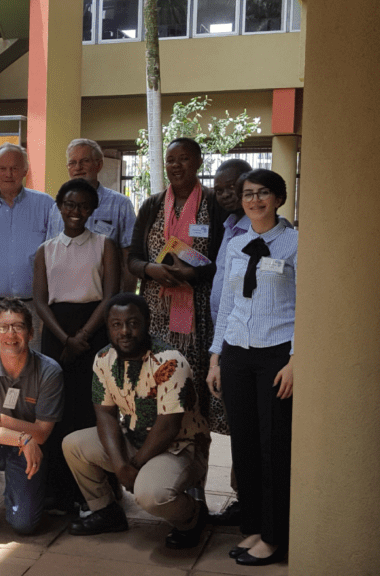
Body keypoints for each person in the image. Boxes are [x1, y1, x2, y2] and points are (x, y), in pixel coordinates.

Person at [62, 294, 210, 549]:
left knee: (150, 494)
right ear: (108, 328)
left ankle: (192, 516)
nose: (125, 332)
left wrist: (134, 466)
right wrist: (121, 466)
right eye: (116, 325)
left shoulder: (170, 360)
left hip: (179, 446)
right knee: (73, 444)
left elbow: (168, 426)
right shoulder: (103, 359)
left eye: (133, 323)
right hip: (133, 437)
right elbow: (105, 414)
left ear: (147, 322)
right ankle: (106, 511)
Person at [207, 169, 296, 567]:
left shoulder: (295, 243)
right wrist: (215, 357)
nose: (254, 200)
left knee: (273, 445)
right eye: (248, 194)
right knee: (242, 444)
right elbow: (227, 303)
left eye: (263, 193)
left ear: (278, 198)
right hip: (236, 353)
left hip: (276, 355)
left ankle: (276, 536)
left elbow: (307, 305)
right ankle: (255, 527)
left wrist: (297, 359)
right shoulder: (237, 244)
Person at [127, 137, 223, 459]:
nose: (176, 165)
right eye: (170, 160)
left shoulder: (214, 204)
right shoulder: (152, 204)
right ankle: (155, 464)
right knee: (157, 389)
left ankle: (194, 476)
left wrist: (194, 274)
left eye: (183, 159)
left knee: (192, 395)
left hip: (197, 316)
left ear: (198, 162)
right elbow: (134, 259)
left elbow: (224, 260)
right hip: (155, 314)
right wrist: (151, 269)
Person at [33, 178, 119, 513]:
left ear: (93, 209)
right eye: (69, 204)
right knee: (57, 408)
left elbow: (110, 296)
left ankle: (94, 490)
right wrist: (66, 339)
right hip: (56, 331)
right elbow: (40, 301)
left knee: (90, 406)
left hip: (95, 329)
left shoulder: (104, 245)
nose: (76, 211)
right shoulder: (46, 250)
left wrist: (82, 336)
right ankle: (58, 490)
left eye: (83, 205)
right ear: (59, 207)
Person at [0, 298, 63, 536]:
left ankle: (17, 495)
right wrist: (22, 438)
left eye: (18, 326)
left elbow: (41, 433)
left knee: (24, 525)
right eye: (3, 327)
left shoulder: (49, 371)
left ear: (30, 333)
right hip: (0, 442)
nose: (11, 333)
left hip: (29, 448)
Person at [0, 143, 52, 354]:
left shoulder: (46, 206)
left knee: (31, 371)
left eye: (14, 168)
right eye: (2, 168)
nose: (8, 174)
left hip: (32, 308)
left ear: (25, 171)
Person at [206, 157, 252, 527]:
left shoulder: (264, 232)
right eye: (219, 188)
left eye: (232, 187)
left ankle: (251, 502)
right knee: (238, 424)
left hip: (253, 344)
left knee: (249, 426)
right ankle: (243, 498)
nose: (225, 194)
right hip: (227, 339)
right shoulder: (229, 227)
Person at [47, 139, 137, 293]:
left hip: (106, 298)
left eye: (84, 161)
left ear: (99, 165)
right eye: (72, 163)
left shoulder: (120, 204)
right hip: (64, 297)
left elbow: (129, 257)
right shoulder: (56, 208)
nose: (78, 168)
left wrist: (126, 299)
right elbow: (49, 256)